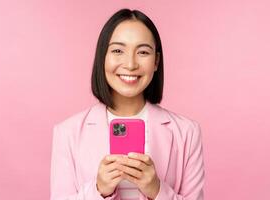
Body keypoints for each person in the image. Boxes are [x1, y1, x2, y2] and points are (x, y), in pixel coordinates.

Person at [50, 8, 205, 200]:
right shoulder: (67, 132)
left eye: (143, 52)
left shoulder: (187, 132)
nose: (130, 64)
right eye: (117, 50)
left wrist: (157, 190)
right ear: (102, 57)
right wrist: (98, 190)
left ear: (156, 61)